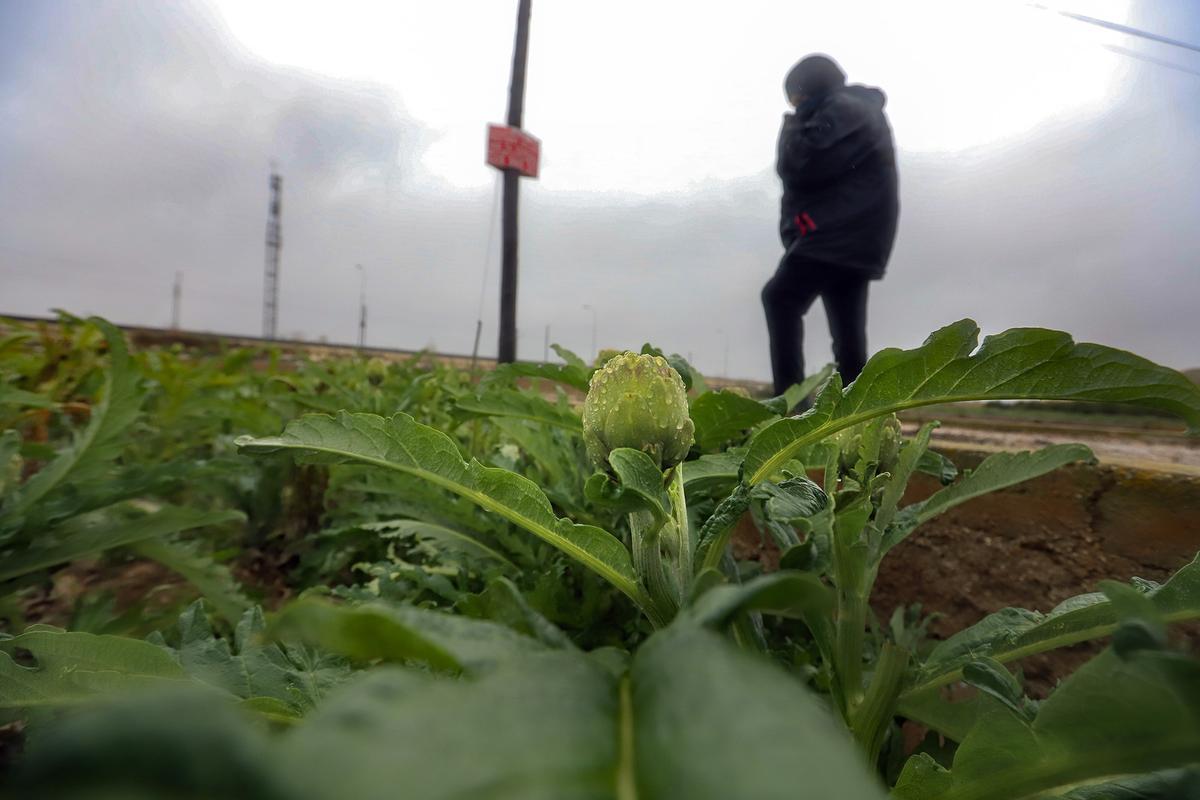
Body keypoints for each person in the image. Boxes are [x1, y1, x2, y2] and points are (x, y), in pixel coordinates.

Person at [762, 54, 899, 399]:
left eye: (796, 99)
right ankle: (858, 415)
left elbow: (797, 164)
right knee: (848, 336)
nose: (795, 108)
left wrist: (791, 123)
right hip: (858, 238)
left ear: (808, 90)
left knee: (779, 298)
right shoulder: (859, 110)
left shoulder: (842, 110)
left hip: (833, 233)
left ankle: (789, 408)